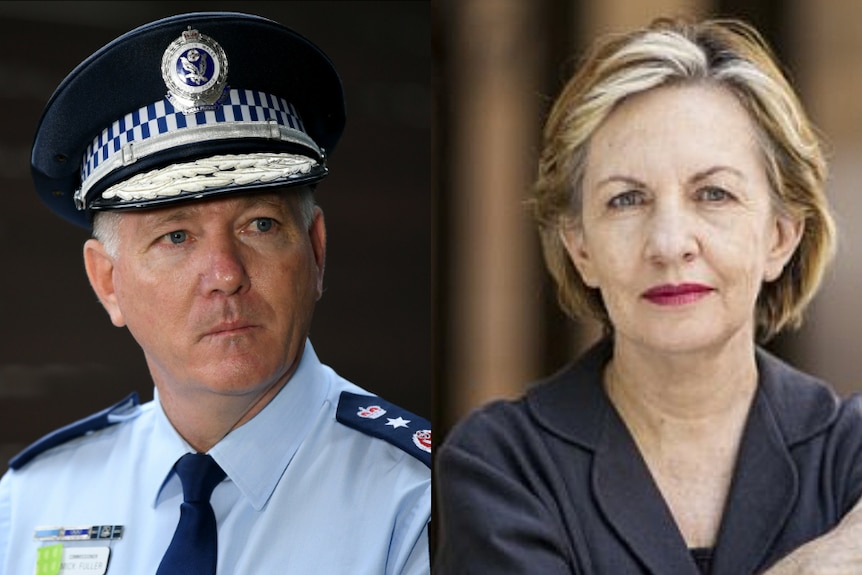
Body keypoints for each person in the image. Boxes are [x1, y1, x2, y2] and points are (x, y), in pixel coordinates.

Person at [0, 11, 431, 574]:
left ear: (316, 251)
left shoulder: (420, 503)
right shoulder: (33, 503)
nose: (226, 273)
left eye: (260, 225)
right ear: (109, 283)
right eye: (175, 236)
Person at [434, 16, 862, 575]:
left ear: (781, 236)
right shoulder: (503, 466)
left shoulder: (851, 453)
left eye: (713, 193)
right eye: (627, 200)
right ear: (579, 245)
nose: (669, 244)